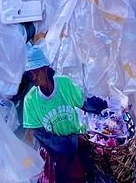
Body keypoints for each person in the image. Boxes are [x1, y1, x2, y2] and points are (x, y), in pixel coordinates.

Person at [22, 44, 88, 183]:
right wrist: (74, 141)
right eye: (30, 73)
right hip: (55, 154)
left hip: (76, 147)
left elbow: (84, 103)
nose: (33, 77)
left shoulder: (65, 84)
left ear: (45, 68)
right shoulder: (30, 100)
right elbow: (39, 135)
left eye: (36, 71)